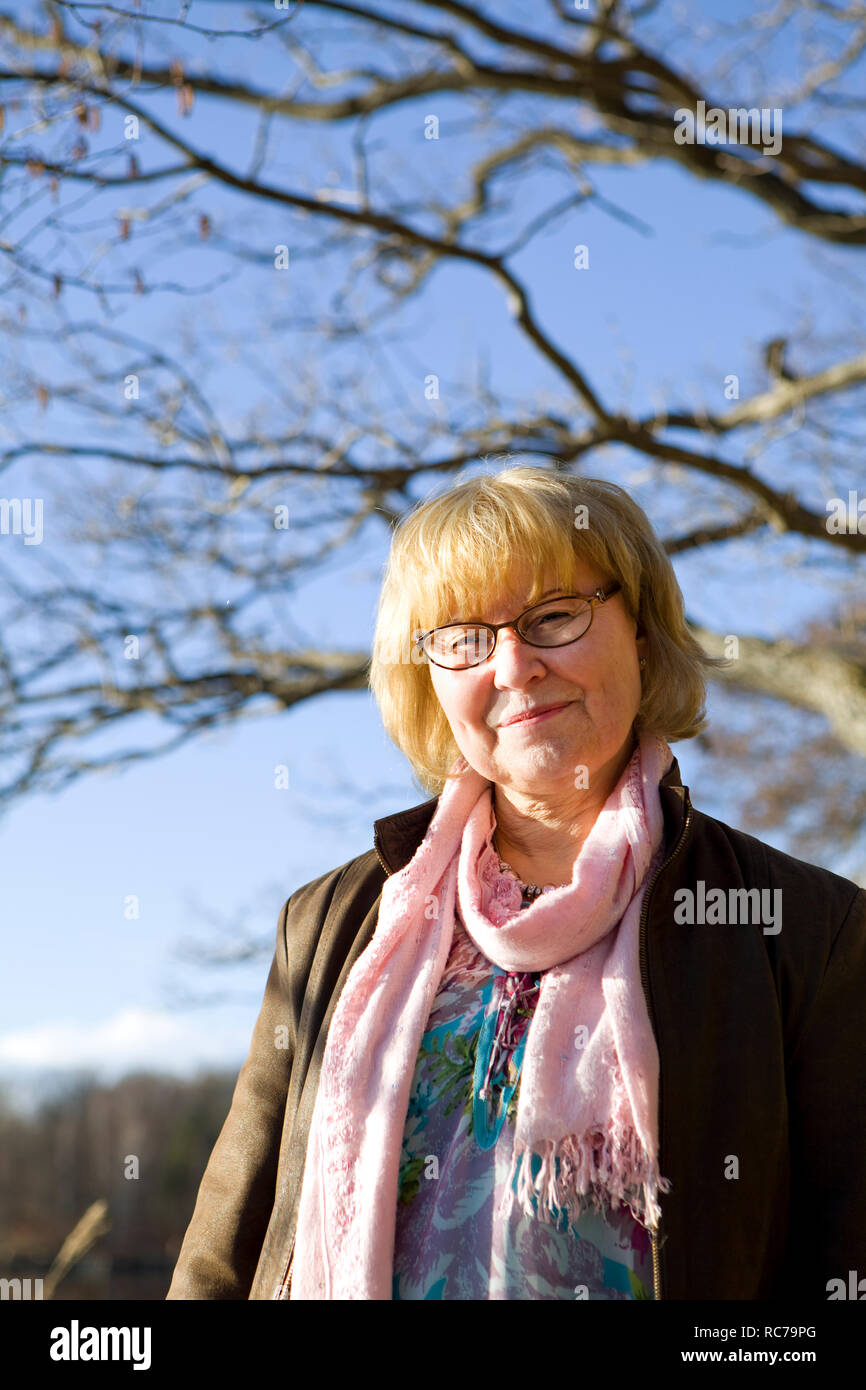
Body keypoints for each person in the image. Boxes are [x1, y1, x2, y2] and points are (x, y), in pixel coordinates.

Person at [166, 466, 866, 1301]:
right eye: (464, 636)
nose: (513, 666)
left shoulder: (805, 929)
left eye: (555, 616)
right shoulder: (331, 921)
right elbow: (228, 1252)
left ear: (639, 628)